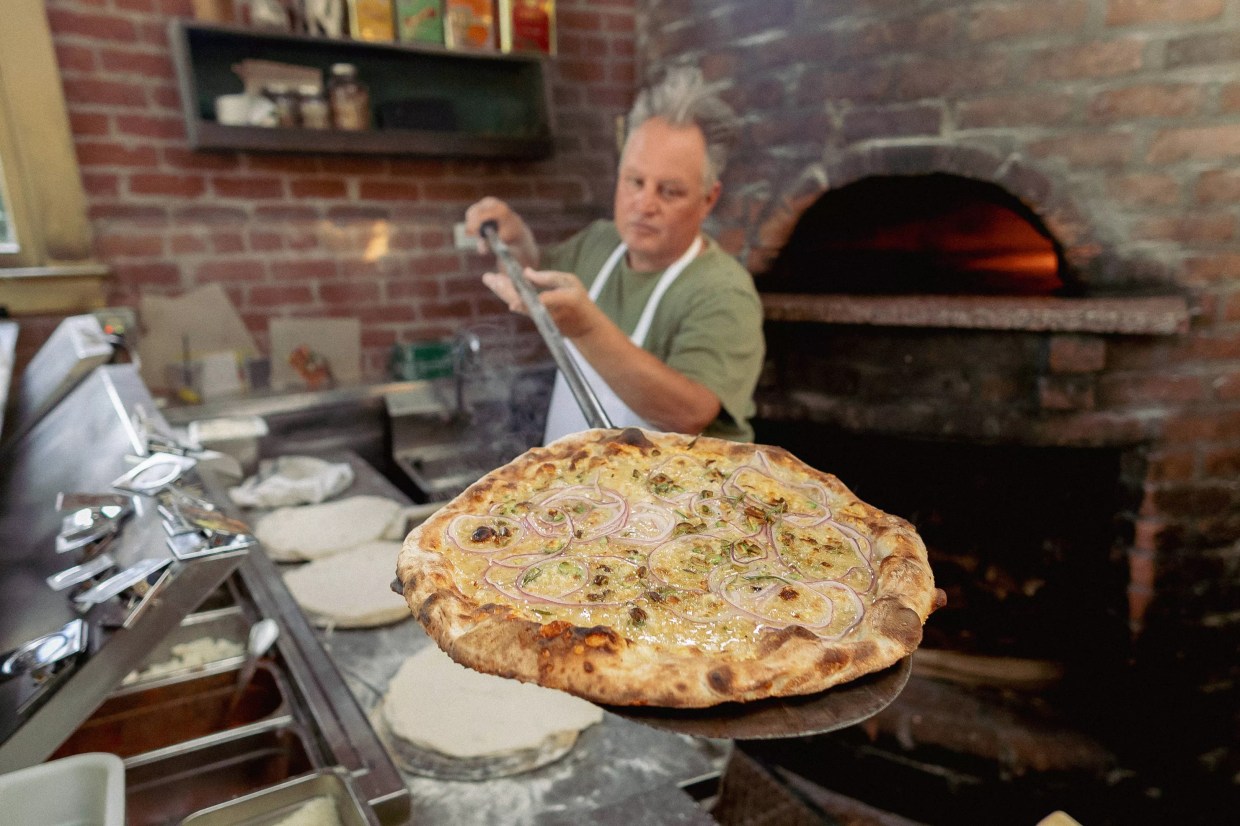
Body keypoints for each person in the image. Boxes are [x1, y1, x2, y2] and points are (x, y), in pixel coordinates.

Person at [464, 67, 765, 443]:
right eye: (635, 182)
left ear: (708, 199)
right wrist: (516, 241)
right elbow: (533, 278)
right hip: (572, 475)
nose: (645, 204)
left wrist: (586, 328)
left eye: (669, 191)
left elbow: (690, 413)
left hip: (676, 482)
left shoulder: (723, 290)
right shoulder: (600, 243)